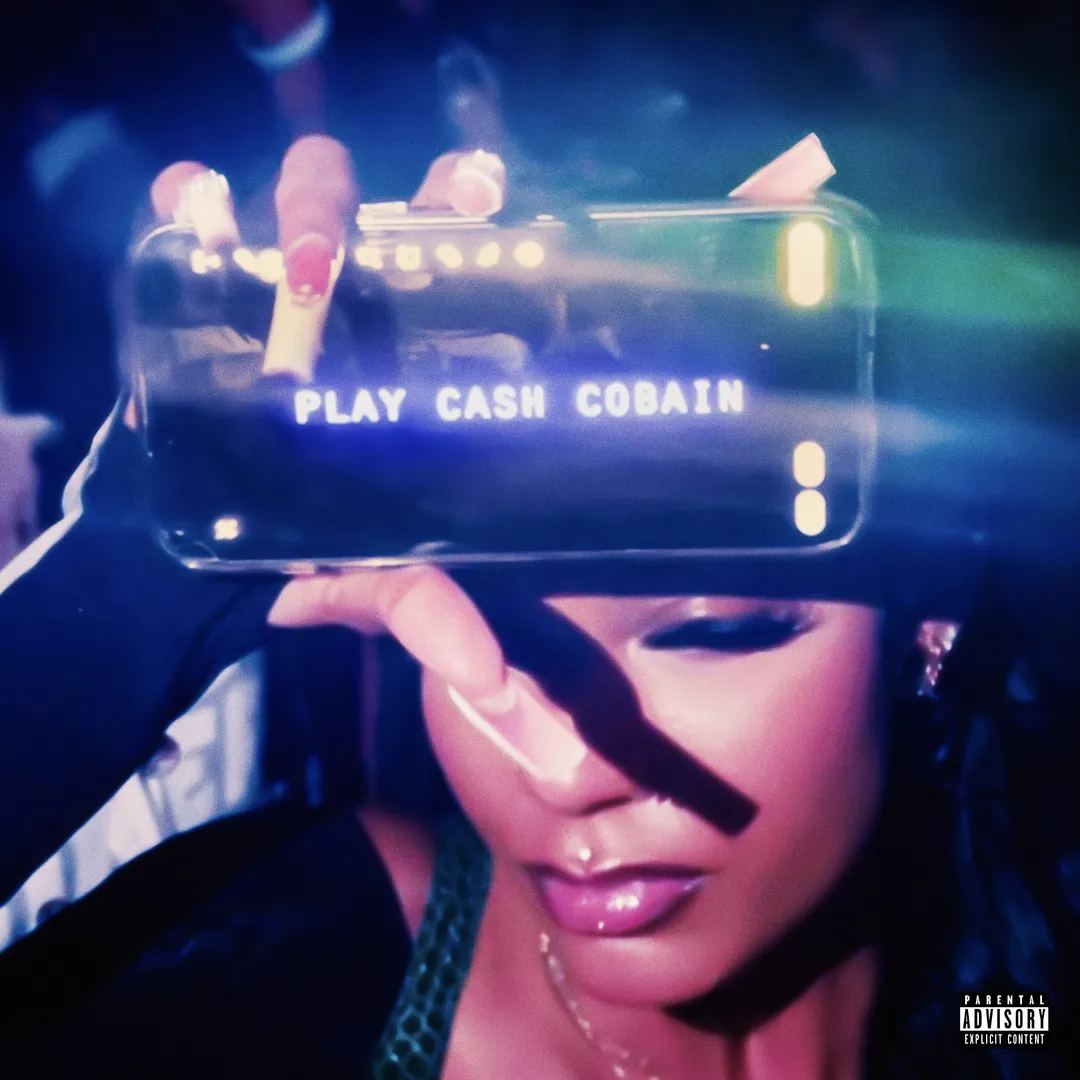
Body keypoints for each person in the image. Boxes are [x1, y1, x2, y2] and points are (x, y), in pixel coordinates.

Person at [0, 133, 1076, 1080]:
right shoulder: (274, 974)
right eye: (493, 634)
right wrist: (120, 600)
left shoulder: (1002, 993)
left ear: (928, 623)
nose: (566, 770)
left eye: (710, 633)